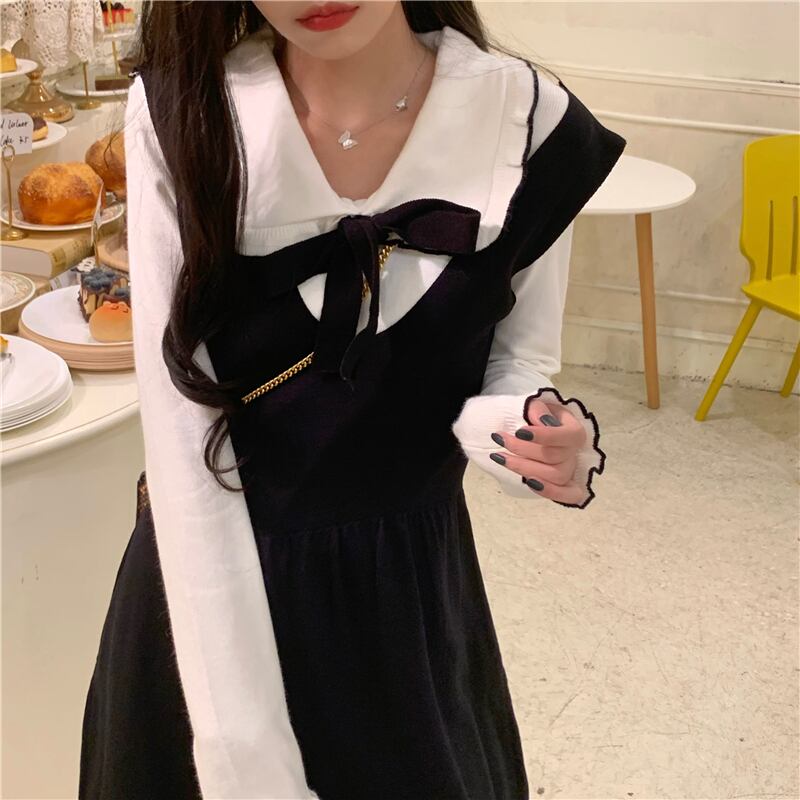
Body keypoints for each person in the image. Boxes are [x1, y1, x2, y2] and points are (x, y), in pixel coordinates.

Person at [79, 2, 625, 798]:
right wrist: (241, 753)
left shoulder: (526, 123)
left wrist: (522, 433)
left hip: (404, 608)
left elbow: (518, 357)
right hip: (209, 604)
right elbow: (180, 443)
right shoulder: (183, 113)